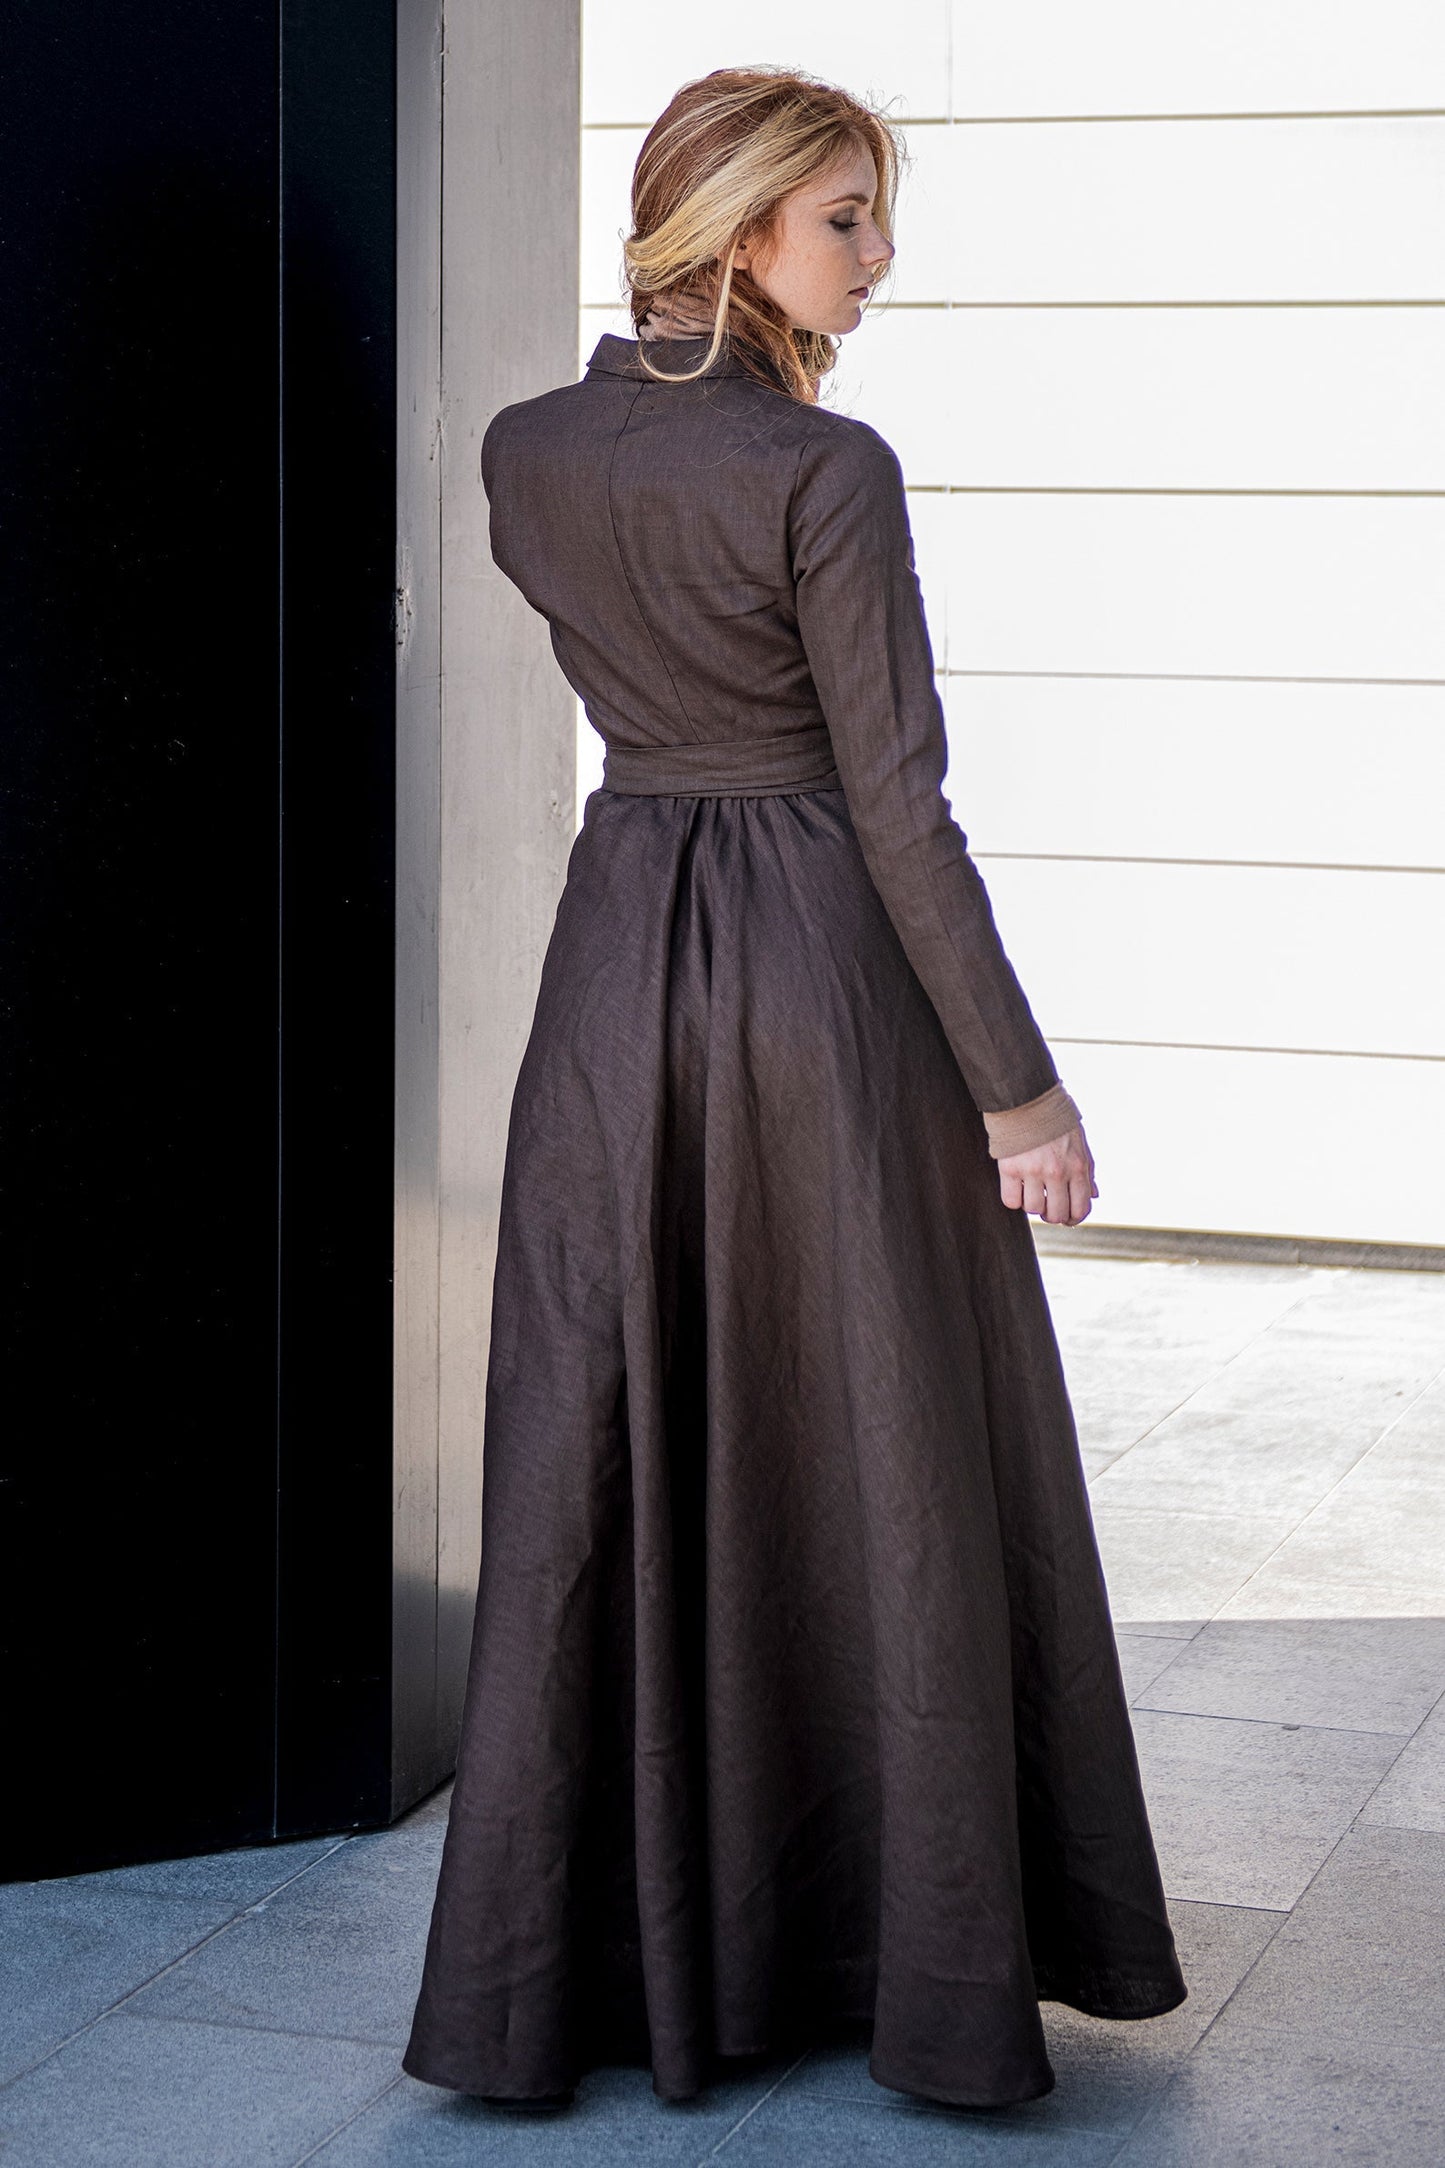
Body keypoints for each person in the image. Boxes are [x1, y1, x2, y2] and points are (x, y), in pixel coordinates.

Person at [403, 65, 1186, 2115]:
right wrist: (1017, 1092)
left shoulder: (523, 456)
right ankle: (896, 1947)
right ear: (741, 236)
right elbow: (898, 812)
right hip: (825, 978)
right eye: (847, 217)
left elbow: (649, 680)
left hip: (616, 969)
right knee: (889, 1450)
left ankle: (587, 1969)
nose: (879, 256)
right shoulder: (828, 478)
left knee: (616, 1429)